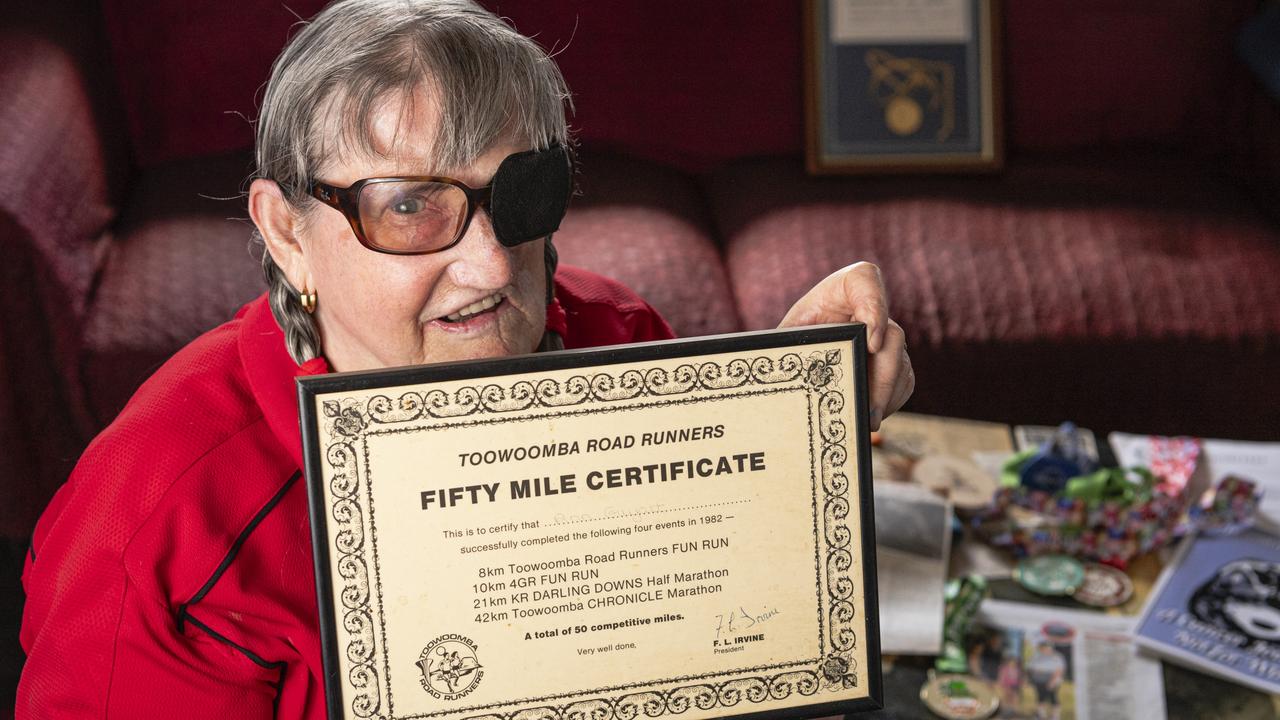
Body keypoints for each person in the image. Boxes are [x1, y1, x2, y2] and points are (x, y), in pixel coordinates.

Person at [16, 1, 914, 716]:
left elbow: (696, 622)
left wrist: (796, 414)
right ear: (287, 233)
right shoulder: (154, 517)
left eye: (521, 192)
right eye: (409, 207)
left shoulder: (614, 335)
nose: (490, 268)